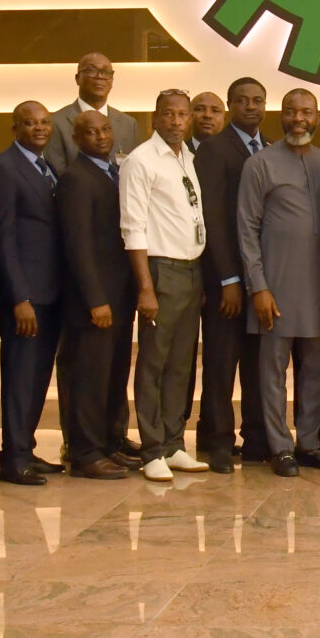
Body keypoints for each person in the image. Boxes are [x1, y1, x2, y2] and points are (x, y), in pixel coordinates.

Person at [241, 89, 320, 475]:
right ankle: (279, 446)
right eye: (291, 112)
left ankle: (310, 444)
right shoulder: (260, 163)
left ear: (319, 117)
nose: (299, 119)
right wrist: (258, 286)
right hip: (275, 286)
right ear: (279, 116)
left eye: (307, 112)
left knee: (315, 369)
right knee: (272, 371)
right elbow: (246, 228)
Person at [121, 90, 211, 481]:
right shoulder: (141, 161)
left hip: (192, 270)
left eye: (182, 115)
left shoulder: (187, 158)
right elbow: (133, 227)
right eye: (168, 115)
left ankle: (175, 443)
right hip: (160, 270)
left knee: (181, 363)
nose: (176, 121)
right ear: (154, 117)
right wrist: (145, 287)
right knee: (154, 362)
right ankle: (152, 449)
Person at [0, 101, 67, 485]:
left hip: (51, 292)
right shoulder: (3, 169)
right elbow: (2, 240)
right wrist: (19, 298)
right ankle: (13, 457)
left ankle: (27, 449)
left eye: (44, 123)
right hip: (26, 297)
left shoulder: (47, 167)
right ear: (14, 128)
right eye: (30, 123)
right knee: (19, 376)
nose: (39, 128)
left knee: (37, 375)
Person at [54, 110, 133, 479]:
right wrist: (95, 300)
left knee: (113, 373)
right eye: (91, 132)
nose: (101, 137)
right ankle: (85, 452)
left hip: (120, 295)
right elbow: (77, 247)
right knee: (89, 376)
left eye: (105, 130)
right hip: (95, 300)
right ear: (76, 137)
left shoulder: (114, 172)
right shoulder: (75, 178)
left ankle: (106, 443)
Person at [196, 78, 270, 472]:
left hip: (261, 281)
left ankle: (257, 438)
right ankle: (219, 442)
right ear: (230, 106)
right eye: (242, 101)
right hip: (228, 280)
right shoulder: (214, 148)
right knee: (222, 365)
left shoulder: (272, 148)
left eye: (257, 101)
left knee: (259, 364)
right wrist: (227, 278)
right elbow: (212, 219)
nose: (251, 107)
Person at [50, 51, 142, 166]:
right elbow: (57, 175)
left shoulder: (128, 124)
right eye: (91, 71)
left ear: (112, 80)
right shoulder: (56, 123)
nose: (100, 76)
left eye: (106, 72)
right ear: (78, 78)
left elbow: (136, 171)